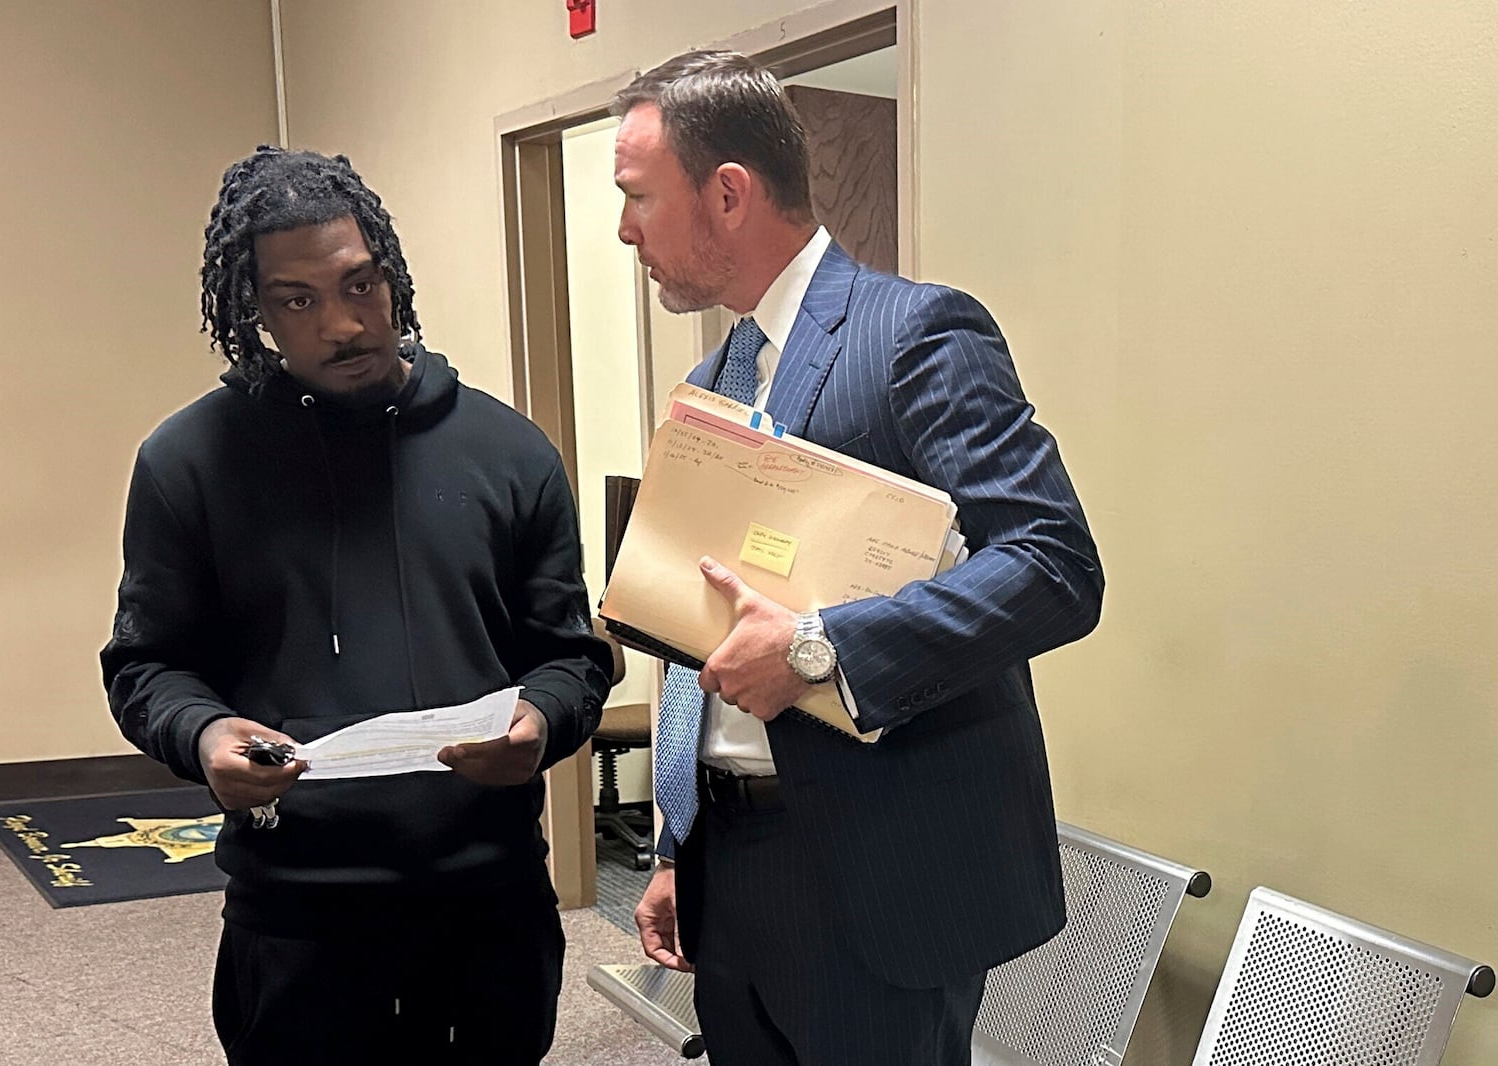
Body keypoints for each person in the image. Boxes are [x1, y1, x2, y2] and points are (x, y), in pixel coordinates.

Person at [613, 52, 1104, 1065]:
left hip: (881, 872)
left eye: (638, 200)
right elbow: (701, 635)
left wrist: (815, 649)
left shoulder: (914, 334)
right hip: (733, 869)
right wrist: (675, 843)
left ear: (728, 193)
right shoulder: (713, 382)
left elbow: (1054, 563)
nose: (628, 233)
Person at [100, 146, 612, 1065]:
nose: (342, 323)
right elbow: (146, 665)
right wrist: (207, 736)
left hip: (487, 901)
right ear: (253, 312)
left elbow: (570, 655)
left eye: (359, 284)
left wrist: (541, 722)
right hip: (300, 911)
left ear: (393, 276)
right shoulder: (189, 464)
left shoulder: (510, 453)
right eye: (297, 299)